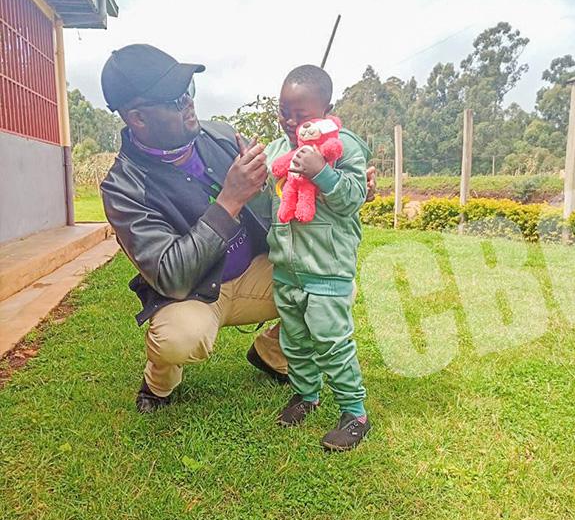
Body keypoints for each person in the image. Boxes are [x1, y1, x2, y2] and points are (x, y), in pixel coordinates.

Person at [99, 44, 376, 413]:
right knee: (179, 338)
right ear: (138, 118)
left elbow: (276, 198)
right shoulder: (123, 188)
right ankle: (158, 382)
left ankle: (270, 353)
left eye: (190, 92)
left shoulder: (219, 137)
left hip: (253, 273)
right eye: (176, 99)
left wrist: (340, 187)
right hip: (195, 295)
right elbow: (171, 275)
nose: (190, 103)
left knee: (332, 287)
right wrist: (228, 200)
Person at [266, 65, 372, 451]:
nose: (292, 122)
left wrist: (322, 172)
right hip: (287, 268)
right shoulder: (277, 150)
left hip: (327, 268)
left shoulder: (343, 145)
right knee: (295, 342)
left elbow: (352, 198)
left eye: (302, 115)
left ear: (327, 108)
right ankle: (307, 395)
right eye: (284, 112)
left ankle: (355, 412)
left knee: (331, 341)